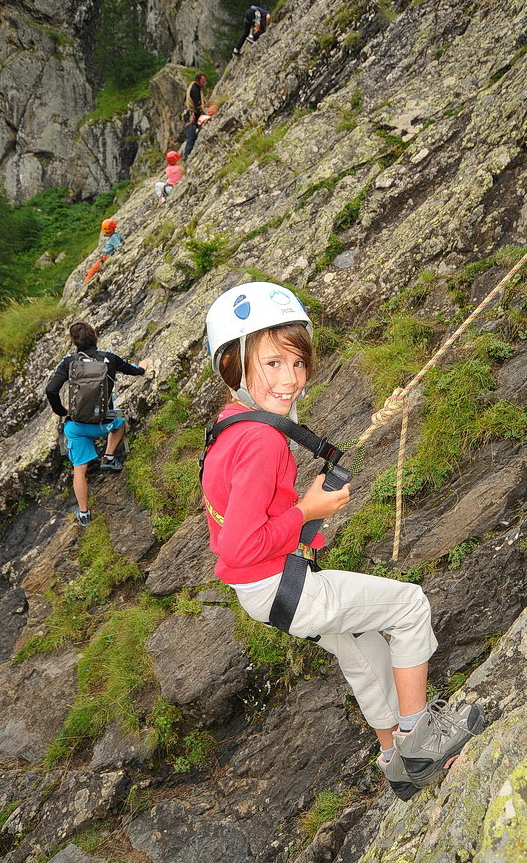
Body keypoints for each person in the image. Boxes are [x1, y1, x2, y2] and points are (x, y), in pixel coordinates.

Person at [200, 282, 484, 800]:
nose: (291, 379)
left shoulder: (229, 427)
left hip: (263, 590)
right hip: (279, 581)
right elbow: (239, 546)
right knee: (409, 606)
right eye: (272, 363)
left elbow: (233, 525)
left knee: (362, 647)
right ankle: (420, 739)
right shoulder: (262, 441)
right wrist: (307, 512)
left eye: (298, 363)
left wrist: (299, 524)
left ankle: (397, 763)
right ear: (233, 365)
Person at [46, 322, 152, 527]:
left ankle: (84, 513)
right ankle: (109, 457)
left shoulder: (69, 362)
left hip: (77, 426)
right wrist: (143, 366)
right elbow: (135, 370)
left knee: (79, 469)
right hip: (104, 423)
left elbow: (51, 389)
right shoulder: (109, 358)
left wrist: (61, 411)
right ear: (95, 336)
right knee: (120, 422)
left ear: (74, 342)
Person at [183, 71, 207, 160]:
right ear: (197, 80)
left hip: (190, 113)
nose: (204, 84)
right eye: (203, 82)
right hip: (191, 115)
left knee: (193, 136)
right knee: (191, 137)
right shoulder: (195, 90)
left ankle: (187, 156)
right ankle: (186, 157)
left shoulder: (194, 86)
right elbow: (198, 106)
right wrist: (204, 115)